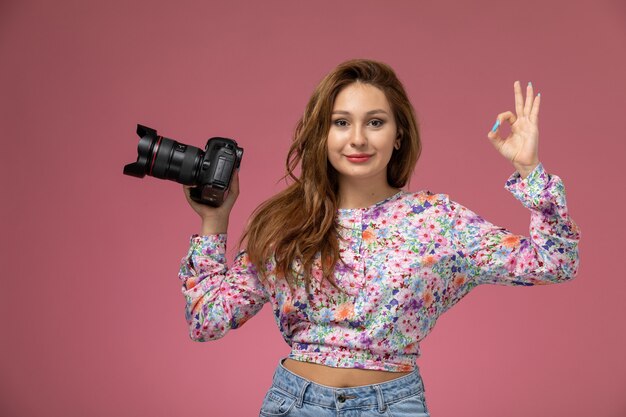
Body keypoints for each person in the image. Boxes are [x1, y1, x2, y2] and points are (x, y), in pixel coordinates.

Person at [179, 59, 581, 417]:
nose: (357, 139)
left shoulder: (437, 220)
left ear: (398, 135)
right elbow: (207, 320)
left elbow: (555, 262)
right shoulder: (286, 222)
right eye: (341, 122)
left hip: (394, 404)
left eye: (375, 122)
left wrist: (531, 171)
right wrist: (215, 221)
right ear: (322, 134)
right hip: (294, 404)